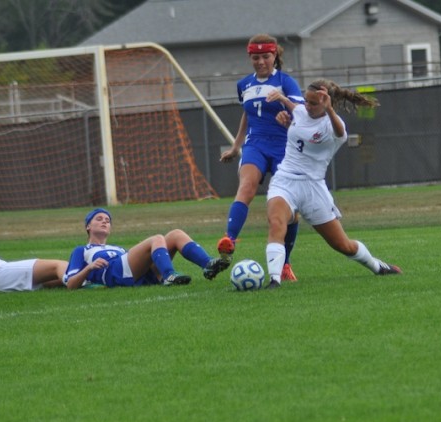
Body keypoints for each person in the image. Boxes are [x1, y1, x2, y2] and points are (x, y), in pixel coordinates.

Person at [263, 80, 402, 289]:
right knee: (276, 222)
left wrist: (328, 110)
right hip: (285, 181)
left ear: (326, 102)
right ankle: (274, 280)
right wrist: (282, 100)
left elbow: (340, 133)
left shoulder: (332, 125)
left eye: (313, 103)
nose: (307, 106)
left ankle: (377, 266)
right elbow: (296, 110)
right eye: (306, 101)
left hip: (313, 188)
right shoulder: (302, 110)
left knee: (343, 245)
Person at [218, 34, 305, 281]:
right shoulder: (244, 85)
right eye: (255, 57)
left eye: (265, 56)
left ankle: (285, 264)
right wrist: (236, 147)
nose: (260, 62)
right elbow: (248, 114)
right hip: (255, 145)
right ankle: (229, 240)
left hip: (282, 148)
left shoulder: (286, 82)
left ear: (275, 55)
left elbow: (301, 114)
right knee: (246, 185)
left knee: (289, 210)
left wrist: (285, 103)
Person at [64, 208, 230, 290]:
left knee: (175, 234)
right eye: (99, 219)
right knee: (157, 238)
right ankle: (169, 276)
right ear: (88, 226)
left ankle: (208, 264)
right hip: (115, 273)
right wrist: (90, 268)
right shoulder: (82, 250)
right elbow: (71, 284)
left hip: (136, 273)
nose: (105, 221)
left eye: (107, 220)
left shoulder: (117, 248)